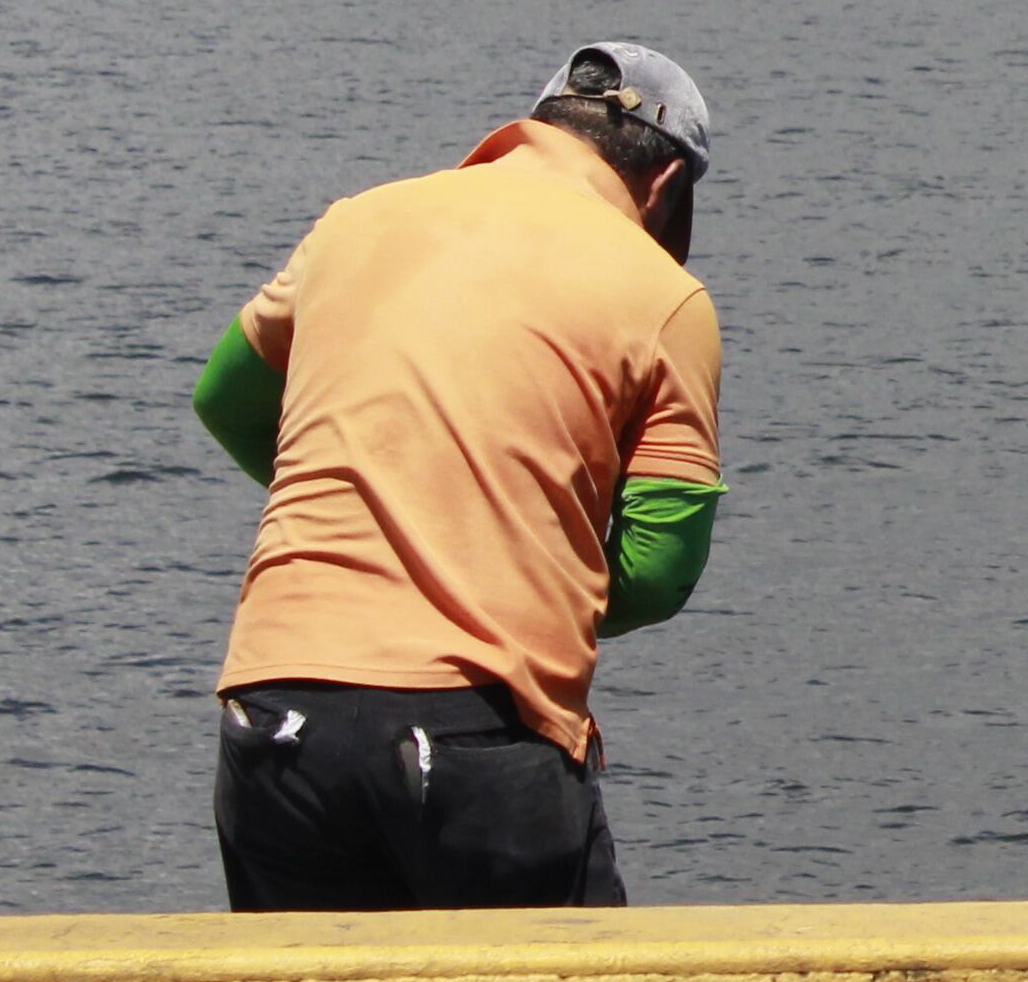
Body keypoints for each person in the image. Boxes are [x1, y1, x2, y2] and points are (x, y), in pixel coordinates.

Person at [189, 45, 726, 907]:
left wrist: (387, 512)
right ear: (665, 186)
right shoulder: (665, 295)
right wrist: (515, 568)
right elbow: (658, 570)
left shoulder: (355, 223)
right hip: (476, 731)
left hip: (276, 709)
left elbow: (226, 401)